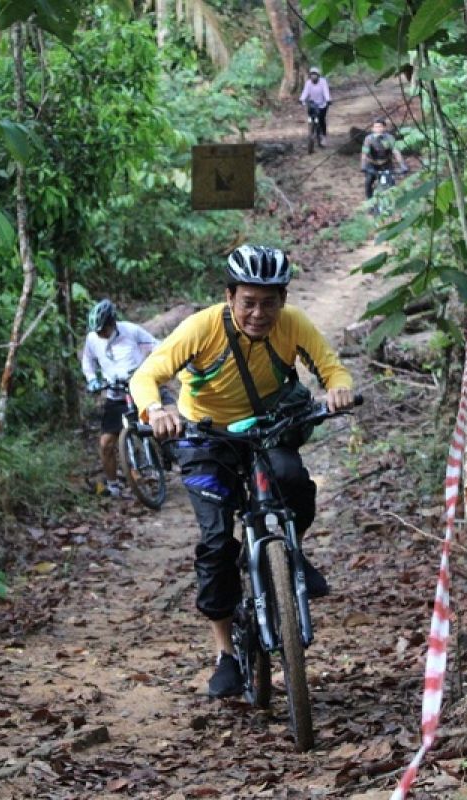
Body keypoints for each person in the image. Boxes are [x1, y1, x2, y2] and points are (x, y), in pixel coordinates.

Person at [129, 245, 355, 698]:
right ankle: (226, 654)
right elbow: (146, 375)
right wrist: (156, 411)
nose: (258, 313)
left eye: (269, 302)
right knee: (216, 542)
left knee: (293, 482)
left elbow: (332, 370)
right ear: (229, 296)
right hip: (205, 437)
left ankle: (291, 554)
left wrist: (339, 390)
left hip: (268, 430)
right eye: (248, 302)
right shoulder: (202, 328)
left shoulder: (293, 326)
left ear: (283, 300)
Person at [80, 299, 158, 498]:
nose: (100, 335)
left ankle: (164, 458)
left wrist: (149, 366)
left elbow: (157, 347)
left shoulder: (131, 331)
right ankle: (113, 484)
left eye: (103, 330)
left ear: (112, 323)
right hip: (115, 394)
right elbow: (88, 362)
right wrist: (92, 380)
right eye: (97, 331)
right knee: (106, 443)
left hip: (140, 389)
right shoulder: (92, 339)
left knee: (158, 426)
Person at [360, 118, 408, 199]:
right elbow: (365, 152)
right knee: (368, 182)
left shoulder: (390, 138)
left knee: (391, 184)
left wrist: (402, 165)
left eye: (380, 127)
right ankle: (369, 202)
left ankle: (391, 202)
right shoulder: (368, 139)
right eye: (376, 127)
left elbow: (396, 152)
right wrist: (363, 165)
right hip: (372, 164)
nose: (378, 129)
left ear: (384, 128)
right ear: (372, 129)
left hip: (386, 164)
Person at [299, 67, 331, 146]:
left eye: (315, 74)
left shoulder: (323, 82)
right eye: (312, 75)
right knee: (311, 118)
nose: (313, 76)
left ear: (318, 75)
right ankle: (310, 136)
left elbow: (326, 91)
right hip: (312, 104)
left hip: (322, 104)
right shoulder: (308, 83)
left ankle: (323, 136)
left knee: (322, 120)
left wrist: (328, 100)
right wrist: (301, 99)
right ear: (310, 76)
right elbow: (305, 92)